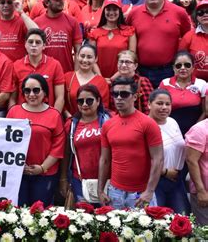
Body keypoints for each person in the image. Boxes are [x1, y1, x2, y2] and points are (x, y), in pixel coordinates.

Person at [98, 77, 164, 209]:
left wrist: (149, 191)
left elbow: (158, 158)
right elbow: (104, 159)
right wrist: (100, 190)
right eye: (115, 94)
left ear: (134, 96)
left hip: (141, 193)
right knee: (113, 230)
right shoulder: (108, 125)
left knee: (146, 229)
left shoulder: (148, 123)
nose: (119, 98)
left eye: (124, 94)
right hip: (114, 191)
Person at [7, 74, 65, 206]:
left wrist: (42, 167)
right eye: (27, 90)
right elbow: (6, 143)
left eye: (36, 90)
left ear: (44, 92)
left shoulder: (54, 114)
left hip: (45, 174)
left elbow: (58, 146)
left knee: (40, 215)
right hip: (18, 174)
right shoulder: (13, 112)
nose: (31, 94)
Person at [126, 0, 191, 88]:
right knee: (144, 104)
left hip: (169, 70)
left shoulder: (179, 12)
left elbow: (188, 38)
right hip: (141, 70)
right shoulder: (134, 13)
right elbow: (127, 40)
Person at [59, 84, 111, 203]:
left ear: (98, 101)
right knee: (83, 218)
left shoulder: (109, 121)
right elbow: (66, 154)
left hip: (108, 180)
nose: (84, 104)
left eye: (89, 100)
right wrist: (63, 179)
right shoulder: (71, 124)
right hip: (80, 181)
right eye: (80, 101)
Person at [148, 89, 190, 214]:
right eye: (159, 103)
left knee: (183, 218)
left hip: (176, 179)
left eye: (167, 104)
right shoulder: (144, 126)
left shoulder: (172, 122)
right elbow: (139, 158)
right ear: (149, 104)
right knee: (156, 221)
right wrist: (165, 172)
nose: (164, 107)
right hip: (155, 181)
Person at [11, 28, 65, 113]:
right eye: (30, 42)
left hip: (47, 115)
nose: (34, 45)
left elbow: (60, 98)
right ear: (25, 44)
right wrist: (14, 118)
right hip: (22, 117)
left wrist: (54, 117)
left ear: (44, 46)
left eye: (38, 42)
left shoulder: (55, 65)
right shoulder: (16, 65)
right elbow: (12, 99)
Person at [35, 0, 82, 73]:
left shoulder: (72, 21)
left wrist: (76, 73)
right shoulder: (37, 22)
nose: (61, 2)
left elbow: (78, 50)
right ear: (47, 2)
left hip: (67, 72)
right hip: (43, 73)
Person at [87, 0, 136, 79]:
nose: (111, 12)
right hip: (99, 78)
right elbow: (92, 58)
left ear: (120, 11)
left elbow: (132, 59)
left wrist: (113, 79)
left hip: (123, 78)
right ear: (104, 11)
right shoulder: (95, 33)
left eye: (115, 9)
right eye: (108, 9)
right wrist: (101, 78)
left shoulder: (129, 31)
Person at [159, 51, 207, 135]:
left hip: (196, 130)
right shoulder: (165, 83)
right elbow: (159, 108)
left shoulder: (202, 84)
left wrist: (195, 130)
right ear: (174, 68)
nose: (182, 68)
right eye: (178, 65)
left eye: (187, 65)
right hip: (169, 130)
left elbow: (205, 112)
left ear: (193, 68)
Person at [64, 44, 109, 119]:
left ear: (96, 59)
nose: (85, 60)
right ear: (77, 56)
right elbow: (61, 101)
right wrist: (69, 117)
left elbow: (104, 107)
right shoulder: (68, 77)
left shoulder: (101, 82)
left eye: (89, 57)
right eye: (82, 56)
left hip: (94, 125)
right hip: (70, 122)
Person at [111, 50, 153, 115]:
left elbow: (149, 108)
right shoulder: (114, 83)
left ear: (135, 66)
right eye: (121, 62)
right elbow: (112, 108)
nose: (124, 65)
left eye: (128, 62)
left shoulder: (142, 82)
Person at [185, 118, 208, 225]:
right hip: (205, 193)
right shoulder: (200, 130)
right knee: (204, 233)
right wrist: (201, 191)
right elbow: (191, 160)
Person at [179, 0, 208, 81]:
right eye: (201, 12)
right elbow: (180, 60)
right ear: (196, 16)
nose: (205, 14)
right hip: (195, 84)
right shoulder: (189, 36)